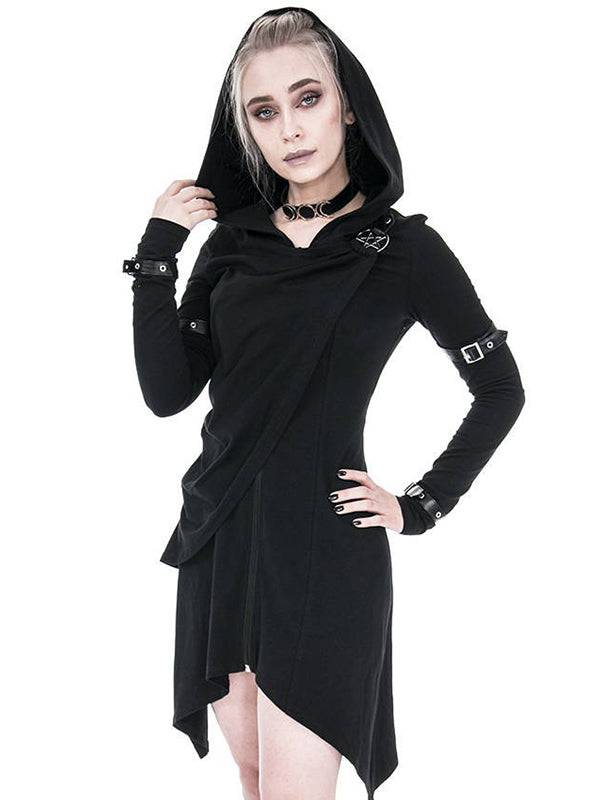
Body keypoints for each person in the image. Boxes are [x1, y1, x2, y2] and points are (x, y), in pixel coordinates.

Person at [122, 7, 526, 800]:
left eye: (307, 99)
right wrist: (157, 254)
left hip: (324, 547)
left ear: (347, 106)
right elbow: (167, 394)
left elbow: (500, 389)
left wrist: (421, 504)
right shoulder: (233, 244)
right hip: (220, 536)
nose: (290, 128)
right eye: (264, 111)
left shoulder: (404, 249)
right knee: (253, 778)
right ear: (246, 129)